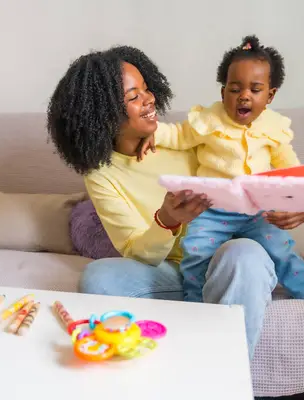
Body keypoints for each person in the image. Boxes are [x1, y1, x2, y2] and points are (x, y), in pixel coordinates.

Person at [47, 45, 282, 359]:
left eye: (147, 89)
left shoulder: (187, 138)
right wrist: (166, 220)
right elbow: (135, 252)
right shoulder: (100, 175)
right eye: (134, 96)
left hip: (226, 260)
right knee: (98, 277)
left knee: (243, 254)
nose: (149, 99)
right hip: (173, 272)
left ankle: (222, 384)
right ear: (102, 114)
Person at [138, 35, 304, 304]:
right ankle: (194, 302)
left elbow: (291, 168)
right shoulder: (209, 119)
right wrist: (152, 133)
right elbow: (179, 135)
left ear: (270, 95)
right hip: (210, 209)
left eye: (255, 89)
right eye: (235, 89)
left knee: (281, 248)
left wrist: (303, 198)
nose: (244, 97)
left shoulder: (273, 127)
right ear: (222, 91)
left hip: (256, 209)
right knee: (196, 252)